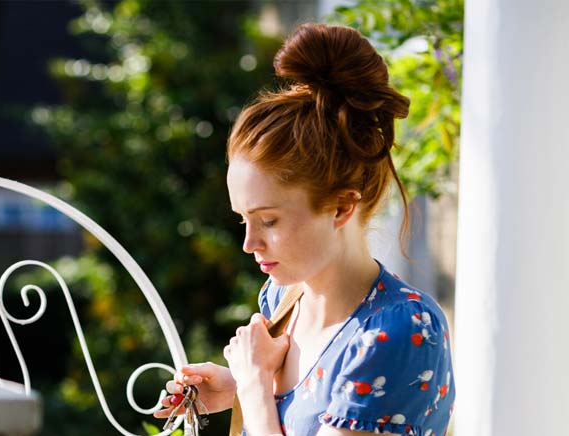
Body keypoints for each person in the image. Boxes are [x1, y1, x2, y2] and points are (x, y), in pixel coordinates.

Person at [153, 23, 455, 436]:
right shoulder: (284, 298)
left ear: (341, 207)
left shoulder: (398, 333)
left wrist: (255, 384)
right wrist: (236, 389)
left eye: (269, 220)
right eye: (244, 219)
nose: (248, 243)